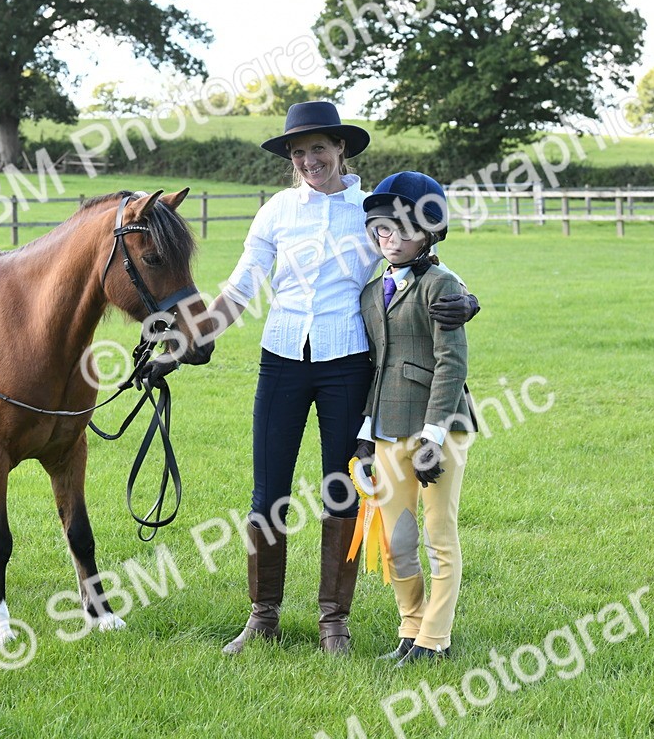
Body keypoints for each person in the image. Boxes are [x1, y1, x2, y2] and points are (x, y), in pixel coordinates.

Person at [196, 102, 480, 656]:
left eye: (318, 149)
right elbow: (240, 287)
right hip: (280, 358)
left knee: (342, 490)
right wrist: (189, 338)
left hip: (348, 362)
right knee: (267, 491)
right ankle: (263, 616)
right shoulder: (276, 211)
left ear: (341, 150)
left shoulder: (368, 208)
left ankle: (334, 621)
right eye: (298, 153)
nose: (308, 160)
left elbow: (420, 261)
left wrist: (469, 300)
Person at [353, 171, 478, 667]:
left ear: (429, 233)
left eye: (404, 231)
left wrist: (432, 435)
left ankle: (435, 639)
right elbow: (375, 366)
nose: (392, 240)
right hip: (384, 427)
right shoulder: (370, 291)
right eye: (383, 230)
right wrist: (365, 433)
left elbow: (452, 363)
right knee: (397, 539)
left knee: (438, 535)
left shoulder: (443, 285)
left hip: (438, 428)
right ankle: (410, 625)